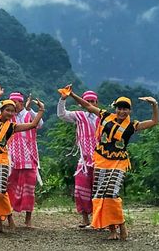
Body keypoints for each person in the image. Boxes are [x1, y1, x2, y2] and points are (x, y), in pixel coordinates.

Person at [66, 87, 159, 241]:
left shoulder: (132, 126)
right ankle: (112, 229)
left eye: (125, 109)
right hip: (101, 160)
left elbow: (154, 122)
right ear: (116, 109)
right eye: (120, 108)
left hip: (119, 162)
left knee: (111, 193)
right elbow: (88, 106)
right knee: (101, 195)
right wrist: (72, 95)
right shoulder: (106, 116)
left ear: (129, 111)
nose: (122, 112)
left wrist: (154, 105)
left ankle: (121, 224)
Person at [0, 68, 45, 233]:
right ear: (2, 110)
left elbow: (33, 125)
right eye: (8, 110)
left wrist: (40, 110)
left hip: (2, 159)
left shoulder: (13, 127)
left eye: (13, 111)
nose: (11, 112)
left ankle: (9, 218)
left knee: (0, 190)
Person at [0, 83, 44, 228]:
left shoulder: (29, 114)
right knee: (8, 189)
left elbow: (40, 124)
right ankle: (9, 219)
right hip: (10, 159)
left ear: (21, 103)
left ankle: (28, 220)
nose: (14, 105)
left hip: (29, 158)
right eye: (12, 102)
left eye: (17, 102)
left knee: (29, 190)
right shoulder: (7, 116)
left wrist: (31, 109)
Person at [57, 85, 100, 227]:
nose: (91, 104)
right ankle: (85, 218)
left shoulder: (103, 117)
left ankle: (98, 219)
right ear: (81, 103)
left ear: (97, 103)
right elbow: (62, 114)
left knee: (99, 189)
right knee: (81, 189)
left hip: (101, 160)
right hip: (84, 159)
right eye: (88, 101)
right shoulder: (79, 116)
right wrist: (63, 99)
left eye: (93, 101)